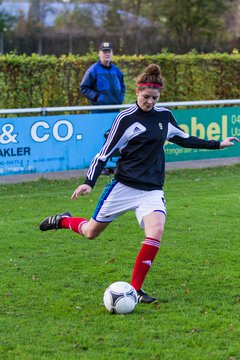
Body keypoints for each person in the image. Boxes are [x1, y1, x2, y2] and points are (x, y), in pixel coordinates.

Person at [40, 64, 239, 304]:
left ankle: (135, 289)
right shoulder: (125, 119)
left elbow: (184, 139)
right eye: (146, 97)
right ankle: (62, 220)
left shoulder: (164, 116)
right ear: (137, 92)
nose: (150, 102)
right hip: (123, 187)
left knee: (156, 231)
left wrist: (218, 144)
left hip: (152, 190)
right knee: (91, 232)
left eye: (154, 98)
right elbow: (103, 154)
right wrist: (88, 183)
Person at [80, 41, 126, 110]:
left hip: (116, 108)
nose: (107, 54)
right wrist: (97, 98)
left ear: (112, 53)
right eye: (104, 52)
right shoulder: (93, 70)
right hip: (99, 110)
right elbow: (84, 88)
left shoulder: (116, 70)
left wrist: (120, 97)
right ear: (99, 54)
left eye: (109, 52)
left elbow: (122, 86)